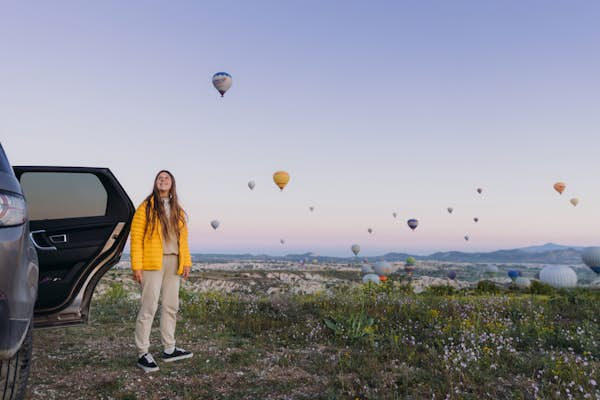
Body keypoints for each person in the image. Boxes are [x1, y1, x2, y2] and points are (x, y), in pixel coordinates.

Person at [130, 170, 193, 372]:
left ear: (172, 183)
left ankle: (169, 348)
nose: (163, 180)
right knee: (149, 307)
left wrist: (187, 262)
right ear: (155, 183)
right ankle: (143, 353)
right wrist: (136, 266)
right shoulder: (145, 207)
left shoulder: (178, 210)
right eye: (160, 178)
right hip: (152, 263)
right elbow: (136, 237)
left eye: (167, 178)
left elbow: (183, 240)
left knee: (170, 306)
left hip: (174, 262)